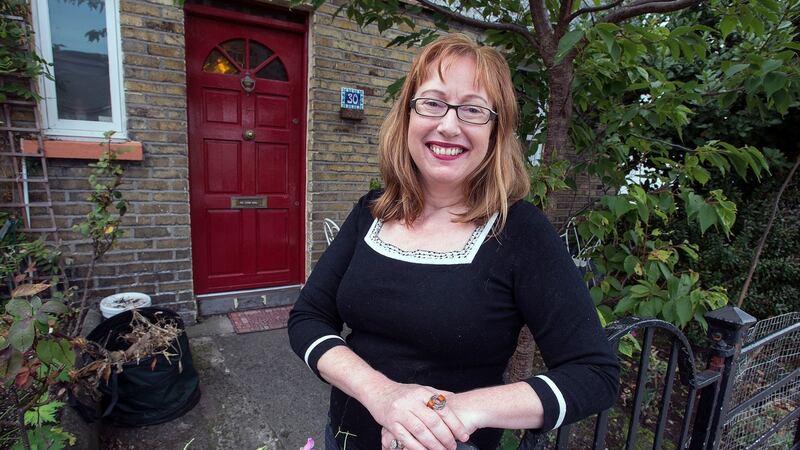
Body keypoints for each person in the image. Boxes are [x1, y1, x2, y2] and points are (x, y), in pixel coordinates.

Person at [288, 33, 619, 450]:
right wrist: (381, 393)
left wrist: (454, 410)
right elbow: (308, 318)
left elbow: (594, 373)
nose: (448, 124)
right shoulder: (371, 213)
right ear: (407, 115)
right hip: (344, 438)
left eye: (473, 110)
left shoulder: (519, 231)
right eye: (432, 102)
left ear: (497, 132)